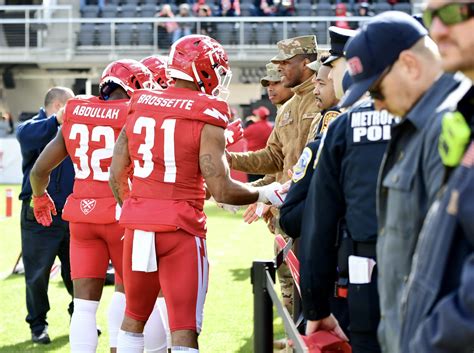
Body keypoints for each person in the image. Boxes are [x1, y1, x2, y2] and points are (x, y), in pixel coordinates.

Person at [109, 35, 284, 353]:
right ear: (206, 69)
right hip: (180, 231)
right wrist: (265, 194)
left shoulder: (141, 101)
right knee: (184, 330)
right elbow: (223, 189)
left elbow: (116, 174)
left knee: (133, 321)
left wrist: (137, 208)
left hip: (138, 226)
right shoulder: (209, 109)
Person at [339, 12, 472, 353]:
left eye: (376, 89)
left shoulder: (444, 125)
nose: (377, 104)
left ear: (410, 65)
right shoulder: (418, 127)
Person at [29, 60, 168, 353]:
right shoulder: (135, 111)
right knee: (142, 298)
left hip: (82, 216)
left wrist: (40, 196)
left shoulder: (76, 109)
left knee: (83, 307)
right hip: (121, 213)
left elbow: (40, 169)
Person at [399, 2, 474, 352]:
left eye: (456, 12)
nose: (438, 30)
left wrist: (426, 344)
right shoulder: (464, 112)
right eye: (431, 17)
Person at [229, 35, 319, 317]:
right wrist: (227, 159)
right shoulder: (288, 109)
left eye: (285, 64)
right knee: (291, 288)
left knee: (315, 290)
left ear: (306, 62)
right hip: (288, 212)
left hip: (314, 211)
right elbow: (274, 158)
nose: (280, 70)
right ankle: (296, 341)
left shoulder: (322, 98)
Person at [16, 86, 75, 344]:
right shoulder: (33, 127)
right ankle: (38, 325)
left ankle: (80, 317)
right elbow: (25, 137)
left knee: (79, 273)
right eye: (70, 106)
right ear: (58, 106)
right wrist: (56, 122)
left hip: (72, 213)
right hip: (39, 214)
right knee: (37, 274)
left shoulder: (75, 129)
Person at [244, 106, 273, 182]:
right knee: (264, 183)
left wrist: (248, 122)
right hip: (265, 160)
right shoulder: (270, 127)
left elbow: (242, 134)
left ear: (258, 116)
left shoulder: (252, 127)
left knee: (253, 185)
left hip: (252, 160)